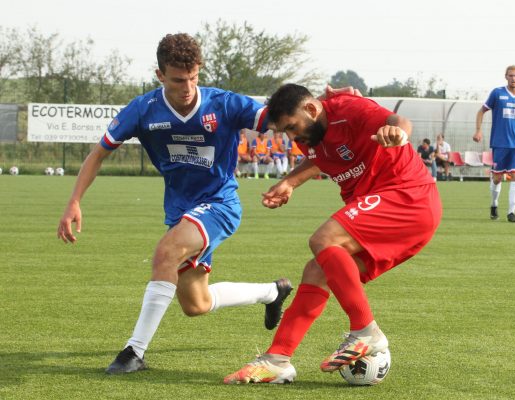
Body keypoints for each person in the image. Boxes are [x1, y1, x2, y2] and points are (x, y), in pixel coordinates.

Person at [56, 33, 294, 374]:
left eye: (194, 77)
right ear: (160, 75)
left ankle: (133, 352)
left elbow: (282, 118)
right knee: (196, 304)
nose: (187, 87)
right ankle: (272, 292)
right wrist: (74, 201)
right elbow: (98, 154)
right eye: (178, 79)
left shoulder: (224, 104)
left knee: (165, 253)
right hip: (181, 213)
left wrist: (295, 174)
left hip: (219, 204)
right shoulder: (143, 110)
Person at [223, 83, 442, 384]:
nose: (291, 137)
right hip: (392, 209)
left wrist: (398, 134)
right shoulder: (310, 132)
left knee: (322, 240)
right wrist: (289, 183)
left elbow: (396, 121)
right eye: (285, 131)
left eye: (292, 127)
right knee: (316, 270)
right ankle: (277, 360)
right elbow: (319, 157)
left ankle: (366, 331)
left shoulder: (349, 109)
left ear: (312, 109)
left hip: (407, 197)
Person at [473, 65, 515, 223]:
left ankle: (512, 212)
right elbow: (481, 111)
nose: (514, 78)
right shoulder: (497, 93)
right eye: (511, 75)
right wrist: (478, 130)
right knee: (498, 178)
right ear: (506, 76)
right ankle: (494, 204)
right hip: (500, 143)